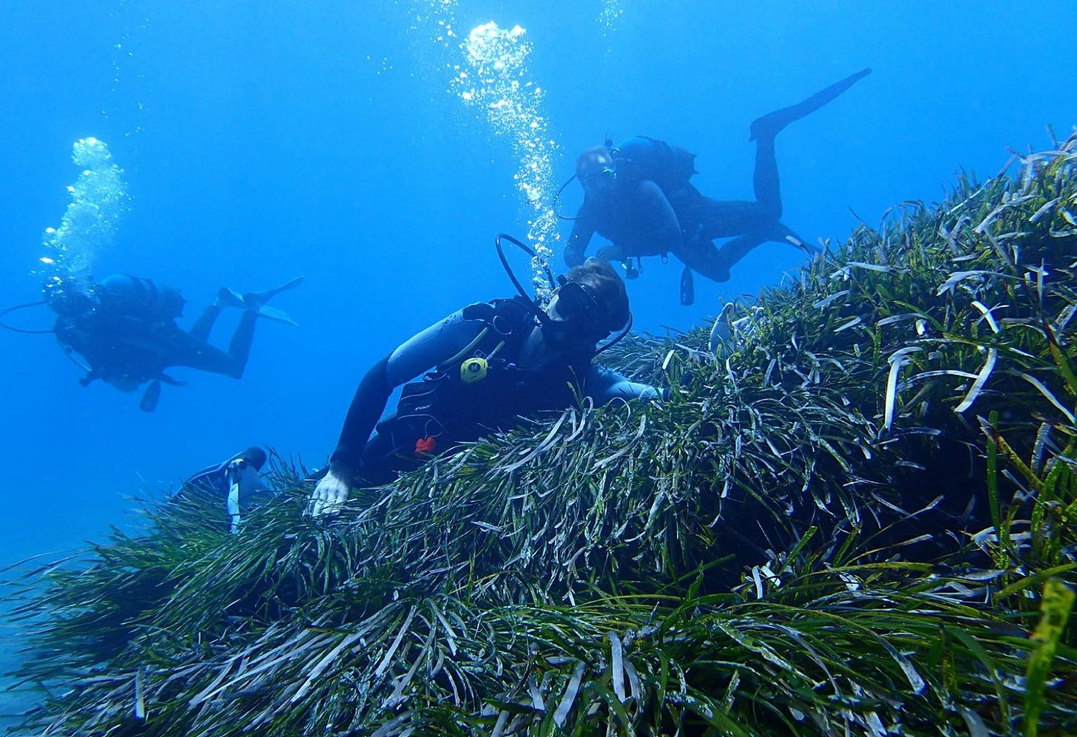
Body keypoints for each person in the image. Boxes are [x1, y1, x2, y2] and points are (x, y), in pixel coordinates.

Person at [309, 259, 660, 517]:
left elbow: (642, 393)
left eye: (586, 323)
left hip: (455, 506)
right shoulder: (480, 325)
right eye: (570, 304)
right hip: (394, 455)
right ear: (554, 292)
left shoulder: (583, 381)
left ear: (596, 338)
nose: (567, 323)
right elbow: (381, 376)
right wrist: (341, 467)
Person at [563, 68, 872, 293]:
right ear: (583, 185)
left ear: (614, 172)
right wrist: (587, 269)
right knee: (720, 272)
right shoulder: (589, 211)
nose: (602, 187)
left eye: (606, 177)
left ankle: (766, 135)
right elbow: (572, 251)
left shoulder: (641, 186)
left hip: (698, 217)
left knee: (770, 211)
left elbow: (670, 232)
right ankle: (766, 233)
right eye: (593, 183)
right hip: (684, 240)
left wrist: (622, 251)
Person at [44, 273, 302, 411]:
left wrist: (126, 375)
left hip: (162, 350)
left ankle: (252, 308)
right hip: (158, 355)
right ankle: (220, 302)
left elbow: (163, 346)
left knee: (234, 367)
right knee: (193, 345)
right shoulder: (70, 329)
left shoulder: (81, 327)